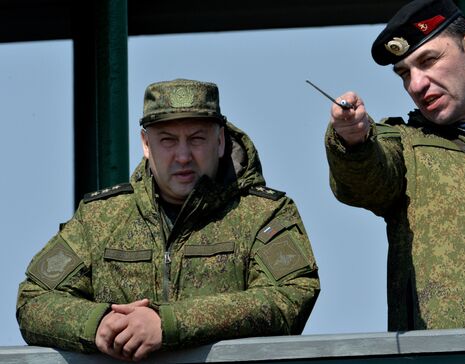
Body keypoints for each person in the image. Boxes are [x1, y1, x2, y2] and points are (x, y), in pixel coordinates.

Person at [17, 79, 320, 361]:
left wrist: (169, 324)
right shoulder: (100, 218)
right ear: (146, 145)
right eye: (168, 140)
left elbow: (290, 296)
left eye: (197, 139)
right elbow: (33, 300)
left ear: (220, 142)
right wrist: (98, 324)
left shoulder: (262, 214)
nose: (183, 155)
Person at [325, 0, 465, 331]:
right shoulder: (404, 146)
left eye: (428, 61)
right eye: (404, 73)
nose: (416, 85)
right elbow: (367, 180)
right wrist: (353, 139)